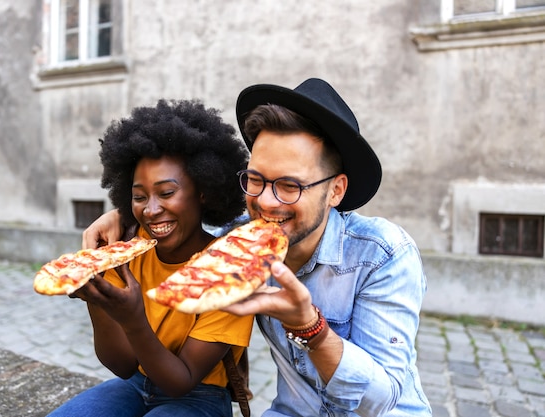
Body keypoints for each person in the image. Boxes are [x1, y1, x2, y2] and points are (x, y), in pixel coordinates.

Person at [82, 79, 432, 416]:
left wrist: (310, 327)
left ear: (336, 191)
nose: (265, 201)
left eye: (289, 185)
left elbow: (381, 403)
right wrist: (124, 215)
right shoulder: (240, 243)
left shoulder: (383, 255)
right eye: (255, 179)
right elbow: (187, 215)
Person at [50, 99, 254, 417]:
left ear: (203, 190)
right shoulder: (128, 249)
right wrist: (96, 296)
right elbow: (122, 364)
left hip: (198, 395)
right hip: (133, 384)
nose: (151, 210)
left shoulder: (230, 270)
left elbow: (181, 382)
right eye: (139, 196)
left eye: (167, 193)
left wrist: (133, 320)